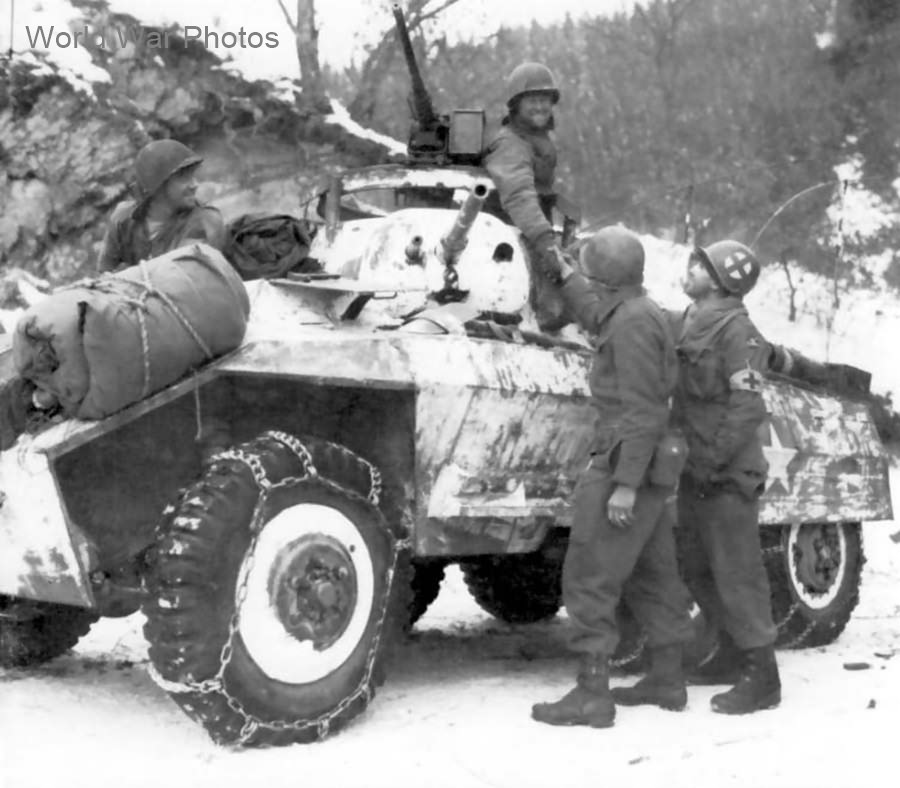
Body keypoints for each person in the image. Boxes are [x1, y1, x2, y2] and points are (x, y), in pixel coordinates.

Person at [530, 226, 695, 728]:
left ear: (606, 280)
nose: (587, 281)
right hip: (648, 464)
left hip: (628, 462)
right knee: (652, 572)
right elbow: (598, 305)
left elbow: (644, 410)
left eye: (589, 271)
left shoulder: (630, 326)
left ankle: (592, 693)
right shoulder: (636, 310)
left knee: (590, 575)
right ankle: (668, 679)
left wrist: (623, 484)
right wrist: (562, 273)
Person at [671, 240, 781, 715]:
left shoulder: (739, 332)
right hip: (696, 470)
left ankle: (764, 677)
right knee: (696, 566)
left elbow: (747, 405)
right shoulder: (691, 318)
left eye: (699, 265)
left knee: (737, 573)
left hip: (726, 473)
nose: (689, 269)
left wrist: (714, 462)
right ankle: (732, 652)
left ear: (720, 280)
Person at [482, 62, 568, 330]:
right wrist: (545, 241)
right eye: (533, 100)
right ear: (516, 105)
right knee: (550, 313)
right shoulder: (510, 143)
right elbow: (520, 196)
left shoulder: (536, 139)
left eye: (545, 100)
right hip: (509, 241)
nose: (541, 107)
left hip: (529, 232)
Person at [99, 139, 226, 272]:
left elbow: (180, 279)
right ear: (158, 186)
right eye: (184, 178)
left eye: (192, 176)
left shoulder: (205, 219)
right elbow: (105, 274)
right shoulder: (123, 218)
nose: (194, 185)